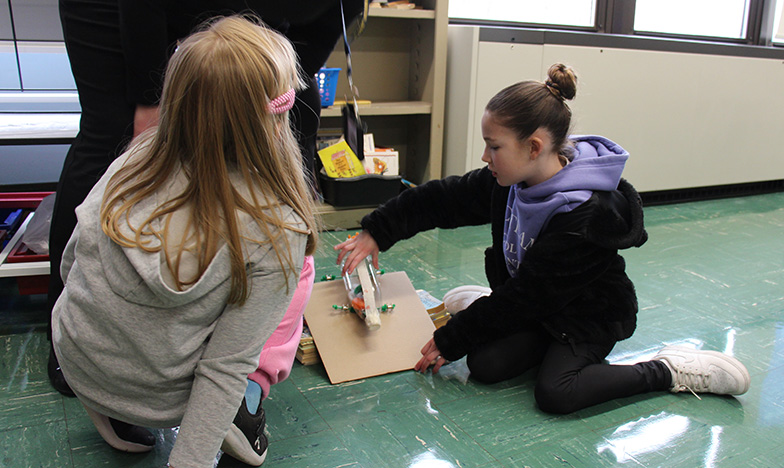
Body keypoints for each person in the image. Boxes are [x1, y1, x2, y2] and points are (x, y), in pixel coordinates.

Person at [335, 63, 751, 414]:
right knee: (485, 365)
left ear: (534, 146)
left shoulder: (585, 215)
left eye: (493, 146)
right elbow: (445, 198)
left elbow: (530, 296)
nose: (485, 157)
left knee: (556, 393)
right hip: (539, 304)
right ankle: (490, 305)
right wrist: (378, 230)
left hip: (587, 317)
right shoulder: (511, 178)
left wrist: (452, 336)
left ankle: (668, 370)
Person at [48, 0, 365, 397]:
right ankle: (73, 341)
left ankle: (248, 340)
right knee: (110, 134)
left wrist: (270, 89)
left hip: (241, 20)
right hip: (120, 10)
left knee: (300, 111)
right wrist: (149, 102)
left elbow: (306, 61)